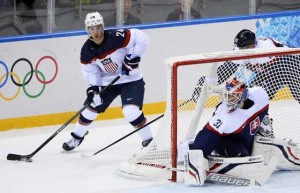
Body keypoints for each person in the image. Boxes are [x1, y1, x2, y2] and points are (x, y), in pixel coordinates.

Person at [180, 78, 300, 186]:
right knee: (249, 165)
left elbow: (262, 112)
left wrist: (265, 123)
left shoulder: (259, 94)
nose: (228, 100)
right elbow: (206, 137)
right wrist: (195, 157)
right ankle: (193, 150)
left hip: (248, 136)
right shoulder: (223, 118)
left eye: (233, 96)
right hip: (230, 142)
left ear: (244, 95)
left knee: (273, 146)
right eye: (227, 96)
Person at [62, 11, 153, 151]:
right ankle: (77, 138)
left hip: (131, 80)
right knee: (90, 108)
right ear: (88, 30)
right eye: (92, 29)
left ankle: (149, 141)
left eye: (98, 27)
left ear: (102, 26)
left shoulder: (116, 37)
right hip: (107, 83)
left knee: (131, 112)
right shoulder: (87, 50)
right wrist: (93, 88)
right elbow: (91, 72)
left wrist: (134, 57)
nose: (96, 31)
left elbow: (142, 37)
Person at [216, 29, 300, 103]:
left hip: (290, 64)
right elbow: (227, 68)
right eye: (239, 48)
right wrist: (211, 81)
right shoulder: (240, 51)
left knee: (297, 93)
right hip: (272, 69)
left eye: (243, 48)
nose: (240, 51)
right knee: (253, 96)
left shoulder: (265, 47)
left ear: (252, 45)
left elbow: (274, 71)